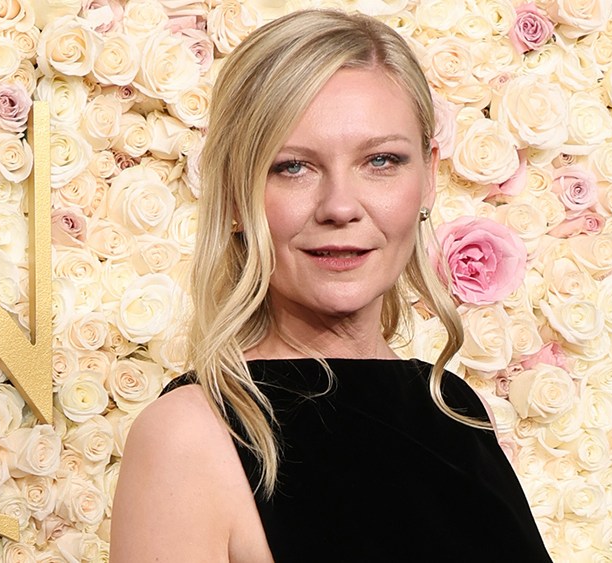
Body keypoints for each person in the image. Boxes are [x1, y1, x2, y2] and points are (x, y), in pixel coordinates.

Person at [111, 9, 552, 562]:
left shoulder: (453, 408)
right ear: (234, 194)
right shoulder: (189, 435)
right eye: (293, 167)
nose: (340, 207)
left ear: (428, 178)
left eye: (381, 160)